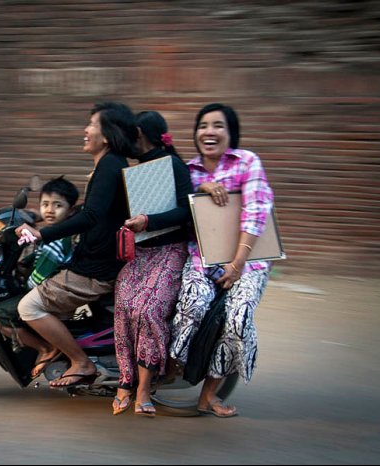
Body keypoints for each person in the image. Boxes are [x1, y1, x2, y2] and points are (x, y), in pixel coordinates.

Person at [14, 101, 136, 388]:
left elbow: (92, 216)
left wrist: (43, 233)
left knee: (28, 307)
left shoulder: (109, 164)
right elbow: (92, 212)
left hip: (96, 269)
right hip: (94, 260)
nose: (85, 130)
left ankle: (80, 362)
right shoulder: (109, 165)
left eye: (91, 124)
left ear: (106, 134)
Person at [168, 103, 274, 418]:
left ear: (231, 133)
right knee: (192, 305)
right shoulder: (188, 170)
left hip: (248, 262)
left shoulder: (247, 162)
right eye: (203, 125)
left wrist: (237, 264)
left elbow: (256, 213)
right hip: (202, 259)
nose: (209, 132)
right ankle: (169, 372)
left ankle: (208, 396)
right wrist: (199, 185)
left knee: (238, 318)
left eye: (218, 126)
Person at [112, 111, 194, 417]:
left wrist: (149, 220)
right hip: (142, 253)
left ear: (140, 133)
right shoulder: (135, 170)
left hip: (171, 250)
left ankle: (144, 389)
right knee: (123, 305)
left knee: (148, 309)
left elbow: (187, 209)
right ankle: (124, 380)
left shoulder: (172, 165)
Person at [0, 176, 79, 378]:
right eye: (45, 204)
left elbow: (38, 278)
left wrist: (23, 287)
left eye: (58, 205)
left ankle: (45, 348)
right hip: (53, 288)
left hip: (48, 293)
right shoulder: (53, 233)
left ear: (71, 210)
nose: (50, 210)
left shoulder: (56, 240)